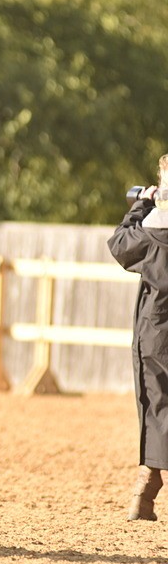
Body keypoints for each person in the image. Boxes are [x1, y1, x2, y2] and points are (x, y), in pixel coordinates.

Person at [107, 154, 168, 520]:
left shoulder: (154, 230)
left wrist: (142, 204)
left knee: (156, 400)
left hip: (157, 328)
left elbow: (118, 244)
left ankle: (147, 485)